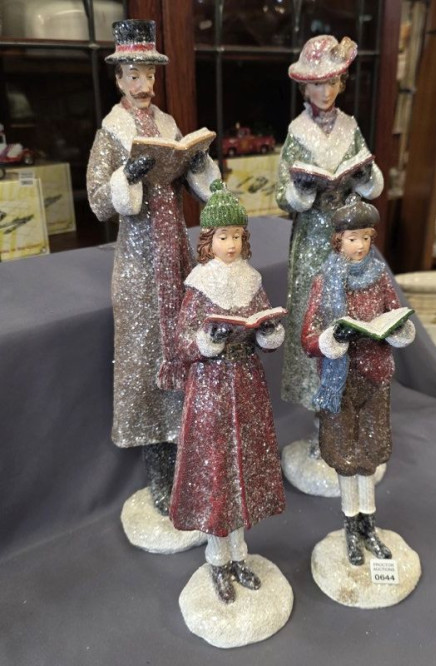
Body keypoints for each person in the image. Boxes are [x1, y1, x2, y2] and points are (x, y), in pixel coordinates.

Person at [87, 20, 220, 518]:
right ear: (119, 78)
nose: (143, 85)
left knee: (182, 345)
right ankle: (159, 470)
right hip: (140, 264)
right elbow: (99, 201)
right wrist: (127, 175)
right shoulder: (110, 133)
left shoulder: (168, 125)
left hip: (176, 253)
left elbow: (199, 186)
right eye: (134, 76)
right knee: (146, 355)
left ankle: (186, 455)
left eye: (149, 75)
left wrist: (197, 163)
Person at [170, 180, 286, 603]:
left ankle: (240, 556)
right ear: (209, 240)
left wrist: (268, 332)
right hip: (211, 391)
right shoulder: (199, 284)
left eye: (237, 236)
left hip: (247, 385)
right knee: (217, 473)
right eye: (223, 237)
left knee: (243, 470)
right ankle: (217, 561)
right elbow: (181, 343)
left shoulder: (252, 279)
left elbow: (263, 328)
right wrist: (209, 339)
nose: (231, 245)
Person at [301, 195, 415, 565]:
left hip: (375, 375)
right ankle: (351, 525)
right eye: (353, 239)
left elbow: (395, 313)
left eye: (366, 238)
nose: (360, 245)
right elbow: (308, 337)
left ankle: (370, 525)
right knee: (345, 454)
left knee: (370, 452)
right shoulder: (324, 280)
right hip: (341, 381)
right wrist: (335, 336)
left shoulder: (379, 276)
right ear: (339, 241)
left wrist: (395, 328)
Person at [276, 34, 384, 413]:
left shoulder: (350, 128)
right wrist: (300, 190)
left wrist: (365, 175)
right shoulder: (296, 131)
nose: (325, 92)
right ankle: (315, 399)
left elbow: (370, 181)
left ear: (342, 83)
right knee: (315, 308)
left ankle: (347, 397)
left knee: (350, 306)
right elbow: (281, 193)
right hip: (312, 237)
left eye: (333, 82)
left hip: (348, 234)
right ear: (305, 88)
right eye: (318, 84)